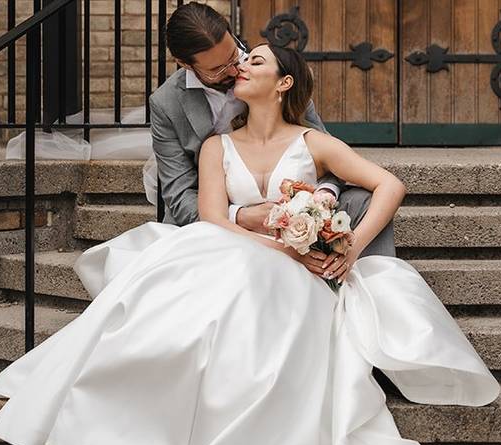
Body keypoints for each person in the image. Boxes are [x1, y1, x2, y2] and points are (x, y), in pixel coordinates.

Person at [0, 42, 499, 445]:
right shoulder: (215, 146)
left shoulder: (313, 141)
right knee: (180, 299)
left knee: (253, 297)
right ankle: (113, 420)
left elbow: (389, 184)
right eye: (242, 61)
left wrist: (350, 249)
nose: (241, 68)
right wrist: (281, 245)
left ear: (284, 83)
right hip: (231, 246)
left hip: (292, 269)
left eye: (256, 62)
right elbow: (211, 216)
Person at [149, 2, 395, 259]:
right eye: (218, 70)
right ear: (185, 64)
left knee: (363, 201)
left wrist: (319, 200)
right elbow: (179, 195)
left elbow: (324, 156)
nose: (235, 70)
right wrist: (239, 216)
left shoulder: (270, 71)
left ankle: (370, 279)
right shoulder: (167, 105)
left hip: (293, 216)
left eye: (234, 56)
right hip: (218, 224)